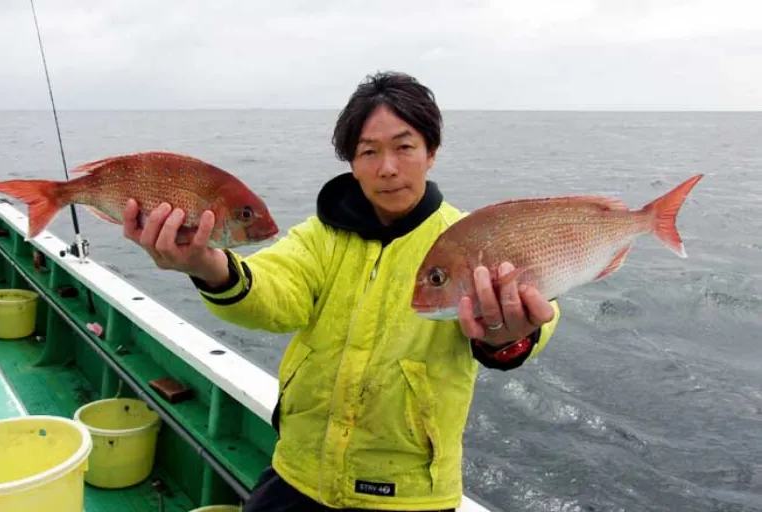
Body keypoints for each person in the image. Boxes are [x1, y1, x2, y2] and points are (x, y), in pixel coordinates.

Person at [122, 71, 560, 512]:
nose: (386, 168)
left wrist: (509, 334)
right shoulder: (321, 236)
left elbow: (537, 311)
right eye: (368, 151)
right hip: (300, 472)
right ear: (350, 161)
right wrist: (209, 266)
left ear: (432, 153)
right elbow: (274, 291)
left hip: (411, 496)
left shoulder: (467, 240)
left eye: (404, 147)